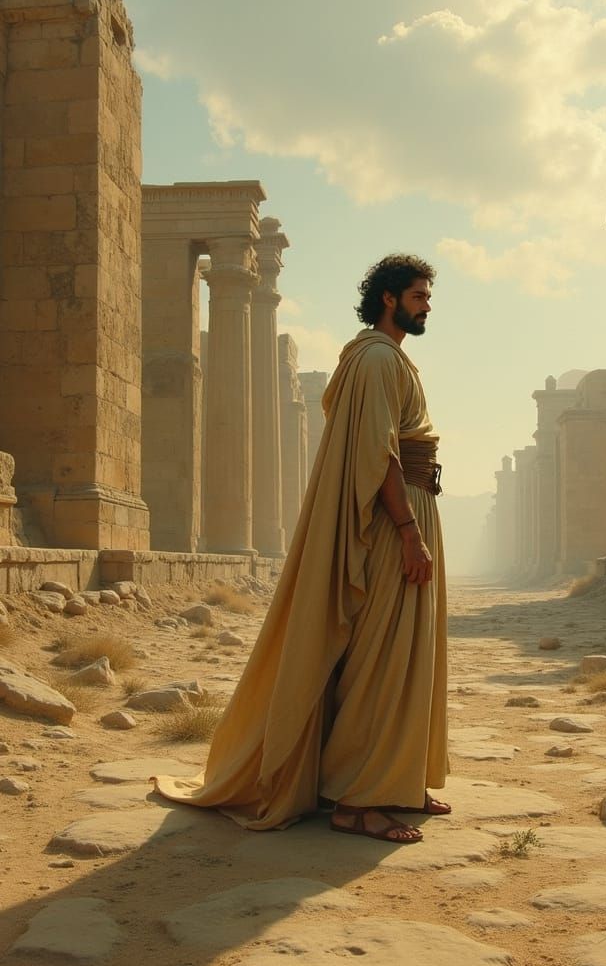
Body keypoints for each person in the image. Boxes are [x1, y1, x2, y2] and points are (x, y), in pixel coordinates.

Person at [153, 253, 449, 843]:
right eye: (418, 295)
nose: (426, 305)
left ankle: (395, 778)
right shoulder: (373, 360)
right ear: (389, 298)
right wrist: (408, 532)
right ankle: (357, 802)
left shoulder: (391, 360)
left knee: (409, 650)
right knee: (380, 657)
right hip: (398, 524)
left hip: (415, 510)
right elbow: (378, 454)